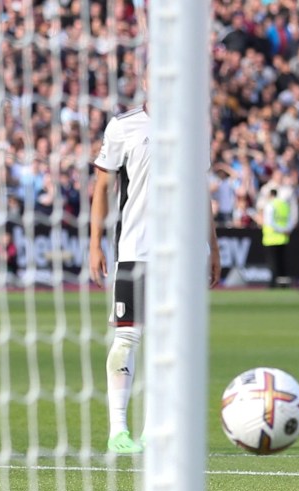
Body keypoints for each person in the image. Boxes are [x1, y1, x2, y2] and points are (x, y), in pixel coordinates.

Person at [89, 102, 221, 454]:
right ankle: (118, 430)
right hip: (136, 250)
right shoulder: (123, 126)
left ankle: (153, 432)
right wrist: (95, 243)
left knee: (170, 345)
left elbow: (200, 190)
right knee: (127, 337)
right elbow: (102, 187)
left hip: (183, 254)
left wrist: (213, 246)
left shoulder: (193, 124)